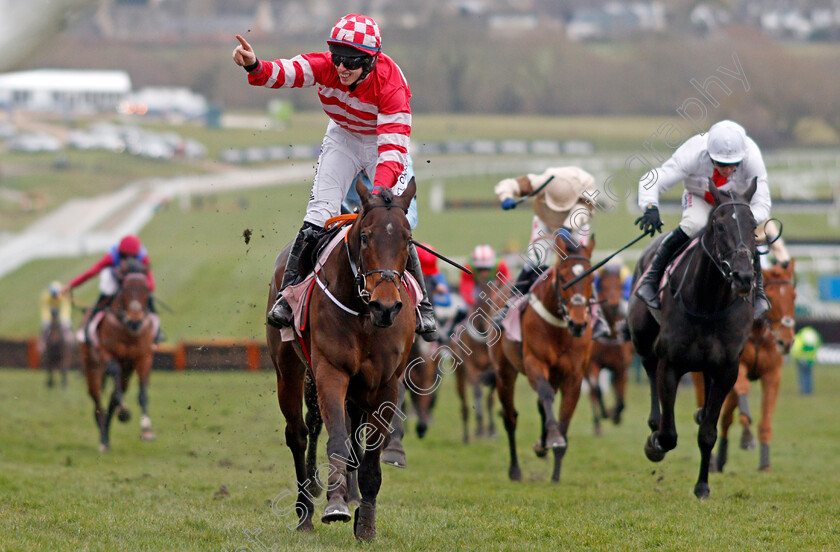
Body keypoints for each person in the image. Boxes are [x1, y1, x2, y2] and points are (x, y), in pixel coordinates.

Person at [233, 14, 438, 341]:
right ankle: (289, 297)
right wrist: (255, 65)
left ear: (371, 61)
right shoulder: (328, 65)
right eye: (337, 56)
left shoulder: (392, 84)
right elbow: (290, 71)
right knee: (318, 213)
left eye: (351, 61)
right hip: (342, 137)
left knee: (393, 219)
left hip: (381, 144)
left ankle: (423, 306)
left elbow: (392, 150)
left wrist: (378, 196)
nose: (341, 67)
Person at [634, 120, 771, 317]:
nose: (727, 170)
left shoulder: (752, 156)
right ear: (709, 155)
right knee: (693, 225)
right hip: (700, 198)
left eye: (734, 165)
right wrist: (650, 207)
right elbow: (653, 179)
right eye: (722, 164)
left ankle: (758, 292)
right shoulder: (693, 151)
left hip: (736, 206)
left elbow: (763, 203)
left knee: (742, 236)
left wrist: (742, 221)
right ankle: (650, 280)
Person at [493, 166, 610, 338]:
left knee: (581, 268)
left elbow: (585, 208)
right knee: (534, 263)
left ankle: (597, 316)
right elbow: (508, 184)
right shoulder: (541, 181)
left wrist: (567, 227)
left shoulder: (587, 183)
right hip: (545, 222)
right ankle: (509, 306)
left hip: (577, 224)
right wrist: (506, 196)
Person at [61, 235, 158, 343]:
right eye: (124, 257)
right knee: (107, 291)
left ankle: (157, 332)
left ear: (137, 257)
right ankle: (89, 326)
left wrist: (141, 287)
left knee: (147, 297)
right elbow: (92, 272)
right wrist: (71, 285)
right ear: (119, 254)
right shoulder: (112, 256)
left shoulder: (143, 256)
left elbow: (151, 285)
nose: (127, 261)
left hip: (133, 281)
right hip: (115, 276)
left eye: (131, 258)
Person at [791, 326, 822, 395]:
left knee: (803, 375)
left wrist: (796, 358)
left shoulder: (799, 338)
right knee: (808, 375)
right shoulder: (814, 336)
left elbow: (795, 350)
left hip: (801, 360)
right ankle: (808, 390)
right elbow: (817, 346)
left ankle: (805, 390)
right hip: (810, 360)